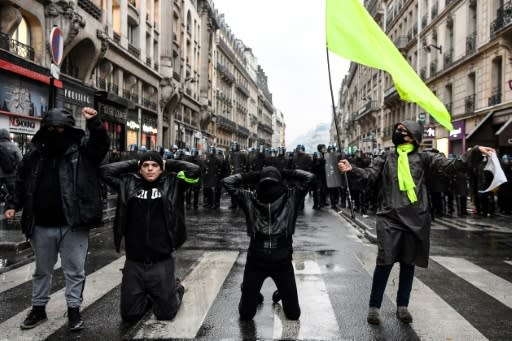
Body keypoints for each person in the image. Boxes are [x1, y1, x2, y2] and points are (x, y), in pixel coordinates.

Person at [337, 120, 494, 325]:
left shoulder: (425, 157)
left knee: (408, 263)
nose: (399, 132)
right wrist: (352, 169)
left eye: (404, 130)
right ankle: (374, 307)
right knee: (384, 262)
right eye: (398, 130)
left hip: (415, 218)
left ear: (414, 135)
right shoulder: (385, 157)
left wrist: (473, 151)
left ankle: (403, 306)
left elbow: (451, 165)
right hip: (388, 216)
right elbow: (369, 176)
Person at [4, 107, 109, 331]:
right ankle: (38, 309)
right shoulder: (34, 156)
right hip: (41, 224)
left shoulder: (82, 153)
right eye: (51, 129)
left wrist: (95, 124)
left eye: (60, 129)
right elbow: (22, 183)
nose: (55, 133)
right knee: (42, 270)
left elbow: (100, 146)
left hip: (73, 224)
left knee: (74, 271)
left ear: (69, 130)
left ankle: (73, 310)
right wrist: (13, 205)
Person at [100, 151, 200, 322]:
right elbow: (104, 172)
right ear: (140, 169)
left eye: (154, 166)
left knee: (165, 314)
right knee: (130, 315)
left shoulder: (173, 183)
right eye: (145, 166)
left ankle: (175, 289)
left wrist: (168, 163)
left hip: (161, 260)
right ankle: (147, 295)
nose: (150, 169)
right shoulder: (128, 183)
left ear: (161, 169)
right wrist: (134, 163)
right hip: (134, 262)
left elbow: (195, 170)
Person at [222, 166, 314, 321]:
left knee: (293, 314)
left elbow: (311, 177)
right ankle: (249, 291)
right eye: (266, 182)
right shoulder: (250, 198)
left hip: (282, 262)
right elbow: (226, 182)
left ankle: (281, 291)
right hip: (256, 261)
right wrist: (260, 174)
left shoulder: (290, 197)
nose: (269, 187)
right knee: (246, 315)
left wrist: (282, 172)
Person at [0, 128, 22, 201]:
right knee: (13, 193)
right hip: (11, 174)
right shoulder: (14, 146)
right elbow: (21, 160)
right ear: (8, 136)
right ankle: (11, 208)